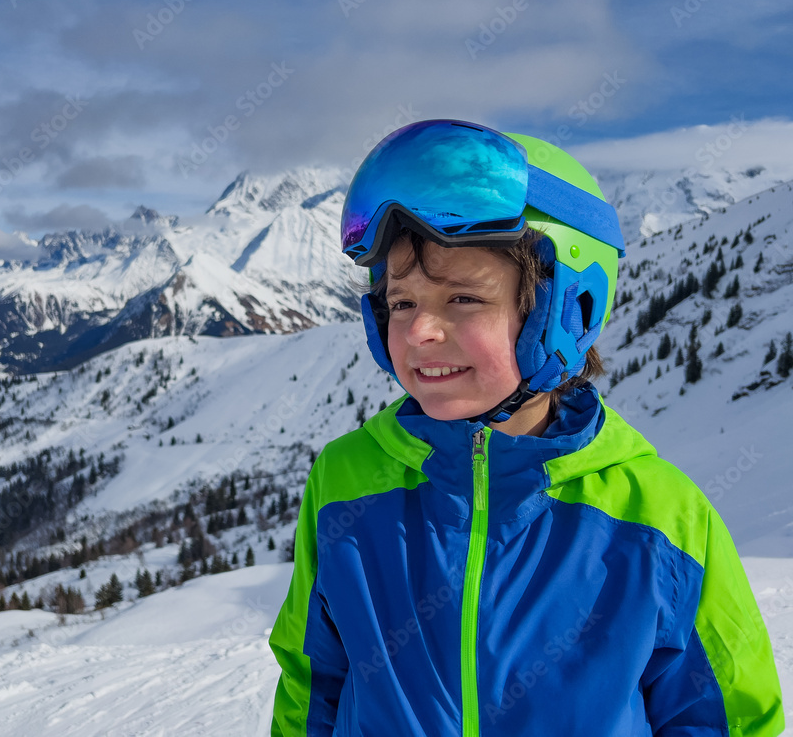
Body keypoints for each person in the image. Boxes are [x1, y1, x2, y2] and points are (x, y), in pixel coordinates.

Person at [269, 120, 784, 736]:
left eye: (462, 299)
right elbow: (312, 681)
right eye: (402, 303)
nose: (419, 332)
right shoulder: (345, 481)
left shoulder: (660, 517)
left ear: (568, 309)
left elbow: (723, 717)